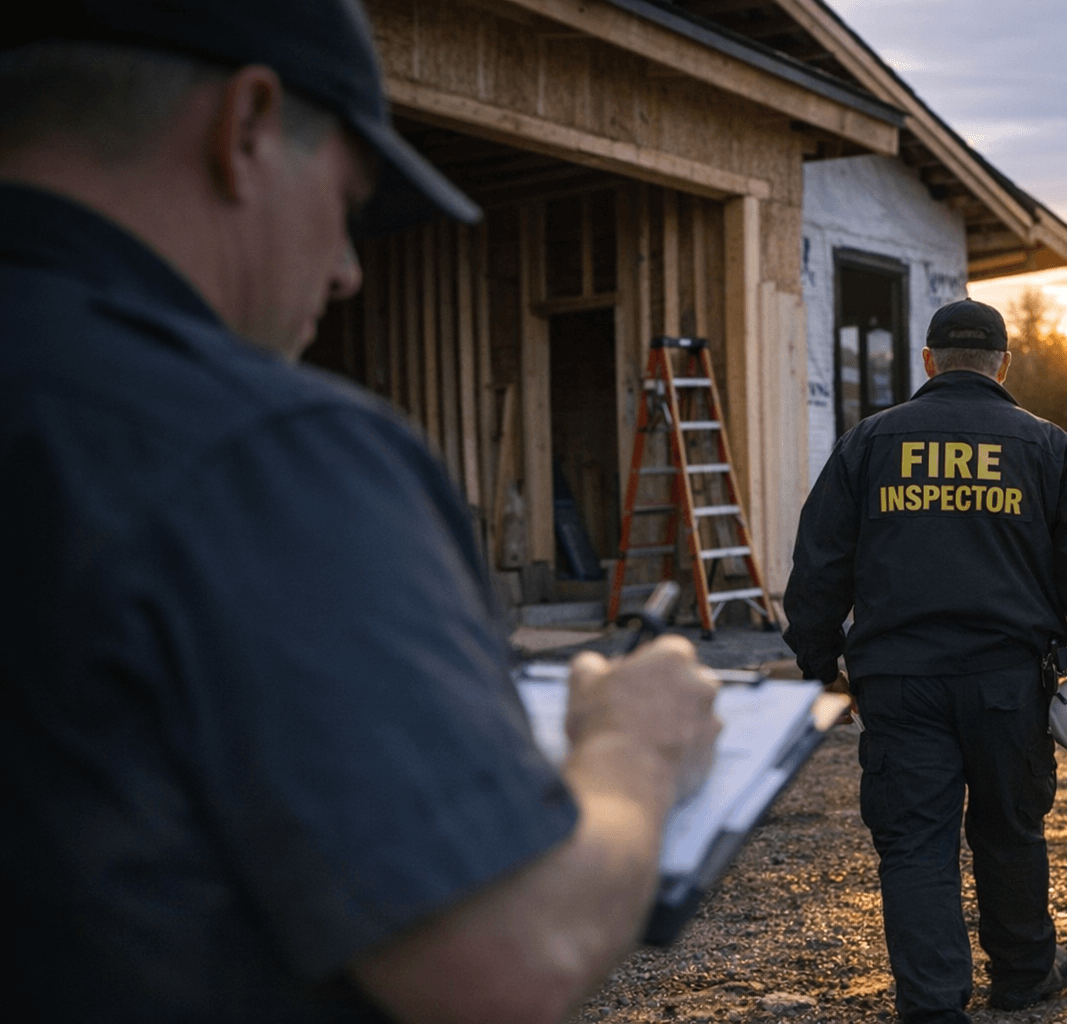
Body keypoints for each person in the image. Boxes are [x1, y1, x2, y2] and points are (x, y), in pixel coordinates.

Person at [0, 3, 721, 1022]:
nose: (346, 270)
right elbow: (509, 957)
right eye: (344, 202)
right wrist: (635, 750)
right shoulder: (260, 452)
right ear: (246, 126)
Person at [782, 298, 1067, 1024]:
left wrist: (820, 664)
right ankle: (1021, 975)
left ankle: (932, 1007)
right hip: (1008, 685)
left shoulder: (868, 443)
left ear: (927, 362)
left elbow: (818, 564)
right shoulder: (1046, 446)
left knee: (916, 846)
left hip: (900, 684)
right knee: (1010, 830)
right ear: (1003, 365)